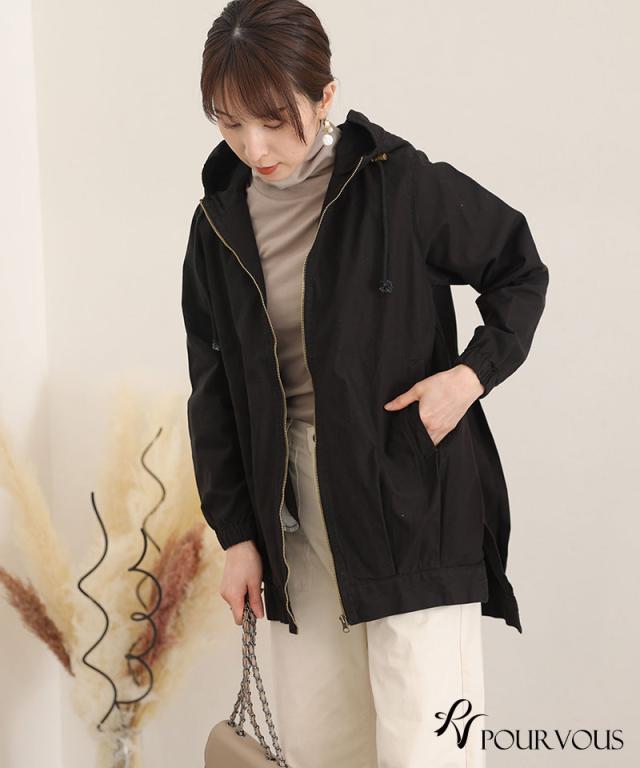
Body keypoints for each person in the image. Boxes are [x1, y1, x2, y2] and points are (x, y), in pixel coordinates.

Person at [181, 1, 549, 766]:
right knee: (324, 745)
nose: (254, 147)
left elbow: (518, 268)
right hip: (292, 515)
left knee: (425, 746)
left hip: (407, 496)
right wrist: (237, 535)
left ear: (324, 97)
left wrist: (468, 377)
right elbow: (212, 388)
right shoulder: (217, 224)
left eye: (274, 121)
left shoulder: (398, 186)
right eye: (230, 123)